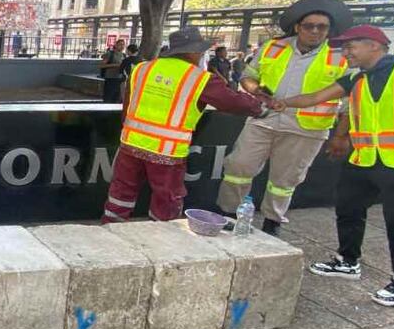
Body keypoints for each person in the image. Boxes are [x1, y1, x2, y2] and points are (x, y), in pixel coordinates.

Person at [273, 25, 394, 307]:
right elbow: (315, 98)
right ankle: (347, 261)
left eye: (351, 47)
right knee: (348, 208)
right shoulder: (356, 79)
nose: (345, 53)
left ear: (375, 45)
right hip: (362, 160)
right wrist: (281, 103)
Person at [216, 0, 353, 236]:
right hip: (263, 119)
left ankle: (272, 221)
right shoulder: (274, 47)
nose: (316, 32)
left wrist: (341, 134)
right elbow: (248, 75)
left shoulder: (340, 55)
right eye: (310, 26)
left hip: (307, 128)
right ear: (298, 27)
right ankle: (227, 214)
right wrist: (256, 91)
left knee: (285, 180)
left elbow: (349, 101)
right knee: (238, 165)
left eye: (322, 27)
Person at [102, 27, 270, 223]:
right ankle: (163, 239)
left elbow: (127, 107)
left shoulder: (142, 69)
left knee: (121, 192)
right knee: (166, 199)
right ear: (192, 52)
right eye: (200, 51)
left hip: (130, 145)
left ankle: (111, 228)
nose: (201, 55)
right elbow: (233, 102)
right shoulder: (199, 79)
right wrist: (260, 107)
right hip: (167, 152)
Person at [100, 38, 126, 103]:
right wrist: (115, 65)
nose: (122, 46)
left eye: (123, 45)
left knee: (117, 97)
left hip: (120, 78)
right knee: (108, 97)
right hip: (110, 78)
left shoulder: (124, 55)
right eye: (120, 44)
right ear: (116, 45)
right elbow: (102, 65)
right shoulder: (110, 54)